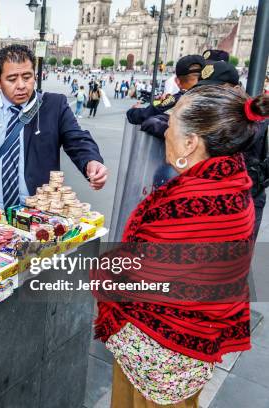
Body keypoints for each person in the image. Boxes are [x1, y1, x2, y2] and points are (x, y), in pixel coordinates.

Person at [96, 86, 268, 408]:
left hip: (161, 357)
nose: (165, 130)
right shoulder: (231, 184)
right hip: (185, 352)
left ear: (191, 142)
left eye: (171, 121)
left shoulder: (194, 204)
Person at [0, 44, 107, 215]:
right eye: (11, 79)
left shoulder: (54, 106)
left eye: (27, 77)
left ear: (35, 75)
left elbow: (77, 139)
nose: (21, 85)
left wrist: (91, 161)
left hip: (37, 218)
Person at [195, 60, 269, 240]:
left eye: (218, 89)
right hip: (213, 199)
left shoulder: (253, 114)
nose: (211, 95)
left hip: (245, 199)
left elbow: (227, 141)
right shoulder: (217, 110)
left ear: (236, 89)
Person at [127, 55, 204, 138]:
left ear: (177, 81)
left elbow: (143, 115)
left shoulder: (182, 98)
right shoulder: (211, 97)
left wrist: (132, 111)